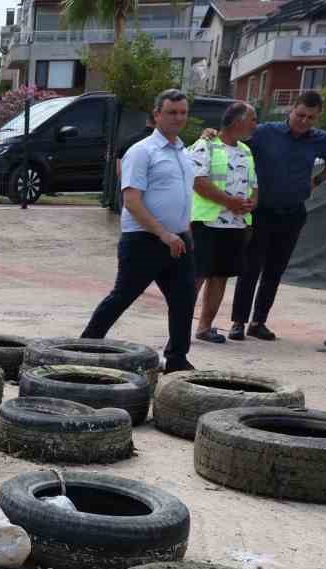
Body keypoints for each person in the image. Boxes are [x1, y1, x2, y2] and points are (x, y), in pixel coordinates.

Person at [81, 89, 197, 373]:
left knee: (184, 300)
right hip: (145, 240)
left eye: (182, 112)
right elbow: (131, 200)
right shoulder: (142, 151)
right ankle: (83, 348)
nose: (177, 118)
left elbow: (182, 196)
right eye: (171, 112)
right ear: (157, 115)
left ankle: (177, 359)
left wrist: (184, 231)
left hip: (178, 240)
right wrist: (163, 233)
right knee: (123, 296)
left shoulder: (184, 152)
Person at [228, 91, 326, 340]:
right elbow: (233, 142)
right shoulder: (265, 133)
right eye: (300, 115)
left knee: (275, 270)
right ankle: (238, 321)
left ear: (318, 117)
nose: (304, 121)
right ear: (291, 110)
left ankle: (258, 321)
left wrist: (315, 182)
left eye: (311, 118)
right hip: (261, 212)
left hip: (292, 214)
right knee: (250, 268)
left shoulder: (319, 140)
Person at [189, 101, 259, 343]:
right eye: (252, 119)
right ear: (237, 121)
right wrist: (229, 202)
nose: (255, 125)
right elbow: (198, 182)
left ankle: (204, 328)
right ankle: (178, 325)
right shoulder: (205, 145)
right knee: (196, 276)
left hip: (235, 226)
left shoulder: (247, 151)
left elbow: (254, 187)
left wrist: (250, 202)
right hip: (206, 223)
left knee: (220, 277)